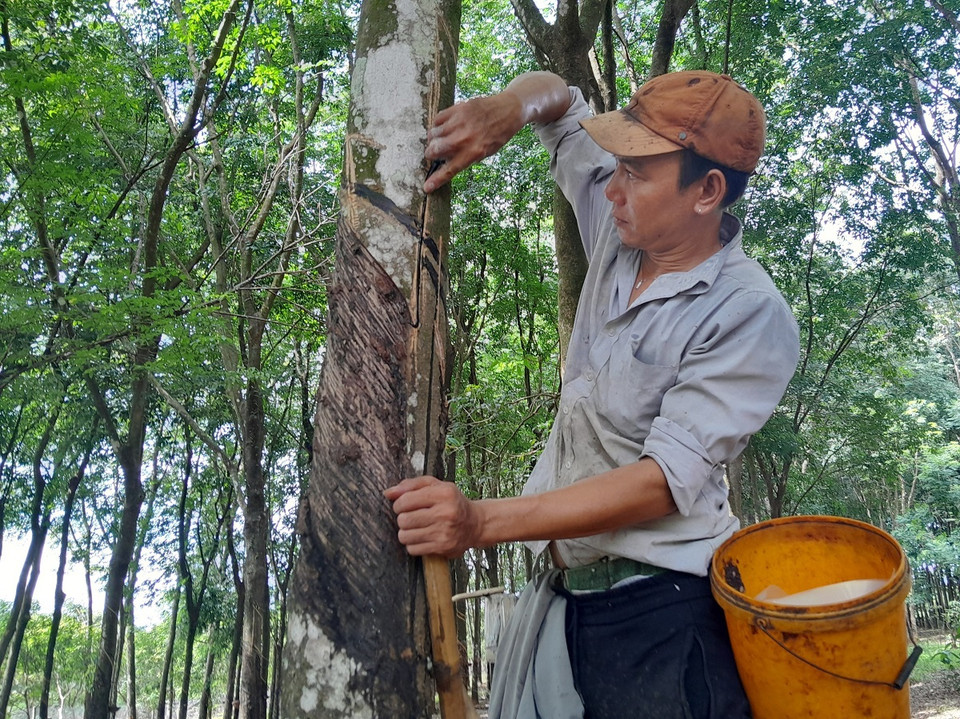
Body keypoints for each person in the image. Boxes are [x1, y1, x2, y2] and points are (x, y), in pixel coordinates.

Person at [386, 69, 800, 718]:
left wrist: (480, 522)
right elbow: (558, 100)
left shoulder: (748, 310)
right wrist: (509, 109)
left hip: (662, 612)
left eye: (636, 172)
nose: (612, 188)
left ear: (708, 191)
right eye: (617, 166)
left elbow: (661, 481)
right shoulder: (621, 228)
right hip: (564, 599)